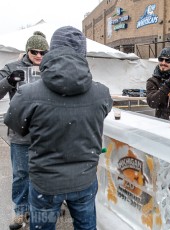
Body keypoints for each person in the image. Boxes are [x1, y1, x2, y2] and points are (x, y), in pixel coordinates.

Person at [4, 26, 113, 229]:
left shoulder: (28, 94)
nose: (38, 55)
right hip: (84, 180)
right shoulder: (102, 93)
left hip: (46, 184)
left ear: (52, 51)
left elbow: (16, 125)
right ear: (83, 53)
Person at [0, 31, 49, 230]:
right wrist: (9, 81)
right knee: (21, 173)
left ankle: (39, 209)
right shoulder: (12, 67)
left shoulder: (52, 68)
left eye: (43, 52)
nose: (39, 55)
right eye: (34, 51)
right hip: (21, 132)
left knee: (44, 173)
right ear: (27, 50)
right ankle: (20, 212)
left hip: (47, 133)